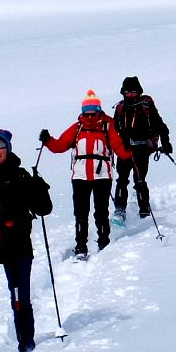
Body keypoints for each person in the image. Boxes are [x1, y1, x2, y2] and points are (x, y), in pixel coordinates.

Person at [0, 128, 53, 352]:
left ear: (8, 148)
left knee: (20, 296)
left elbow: (43, 209)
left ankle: (26, 342)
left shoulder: (21, 176)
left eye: (0, 146)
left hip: (17, 245)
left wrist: (40, 189)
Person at [40, 91, 132, 257]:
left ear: (98, 111)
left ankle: (104, 241)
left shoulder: (107, 126)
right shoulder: (77, 128)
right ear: (82, 113)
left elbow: (118, 147)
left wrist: (129, 154)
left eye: (93, 113)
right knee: (81, 212)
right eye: (87, 113)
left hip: (102, 176)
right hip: (80, 177)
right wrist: (48, 141)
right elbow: (60, 146)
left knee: (101, 211)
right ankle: (81, 246)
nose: (89, 117)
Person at [111, 76, 172, 223]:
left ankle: (144, 210)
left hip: (141, 148)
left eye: (133, 91)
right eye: (127, 92)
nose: (130, 94)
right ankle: (120, 210)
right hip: (124, 149)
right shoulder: (120, 108)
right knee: (121, 180)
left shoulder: (146, 105)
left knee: (140, 180)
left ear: (138, 91)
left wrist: (166, 142)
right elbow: (113, 129)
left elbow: (159, 125)